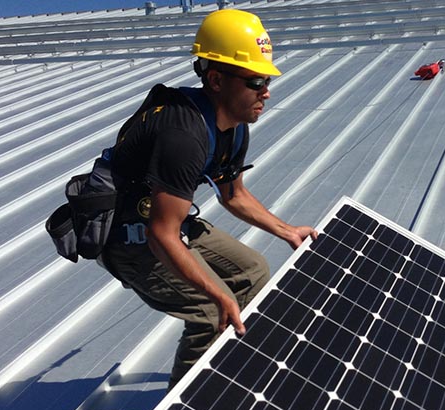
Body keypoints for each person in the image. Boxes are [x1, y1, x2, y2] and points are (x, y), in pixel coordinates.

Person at [99, 9, 317, 389]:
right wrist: (219, 295)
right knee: (208, 309)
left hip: (166, 219)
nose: (266, 91)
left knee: (253, 272)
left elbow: (234, 194)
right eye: (255, 80)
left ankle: (224, 378)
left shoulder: (233, 127)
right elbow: (161, 235)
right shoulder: (183, 133)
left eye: (266, 79)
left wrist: (287, 231)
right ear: (216, 79)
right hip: (127, 235)